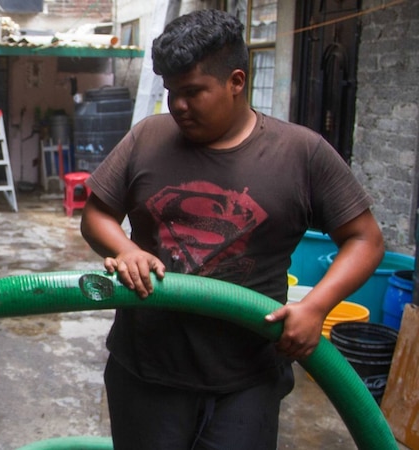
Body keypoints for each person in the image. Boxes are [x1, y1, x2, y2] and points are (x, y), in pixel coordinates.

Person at [80, 9, 384, 450]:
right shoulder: (147, 137)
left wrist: (316, 306)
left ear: (236, 81)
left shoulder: (301, 153)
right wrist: (124, 248)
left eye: (193, 92)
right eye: (170, 91)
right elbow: (96, 215)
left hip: (248, 379)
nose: (178, 106)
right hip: (146, 371)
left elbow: (366, 240)